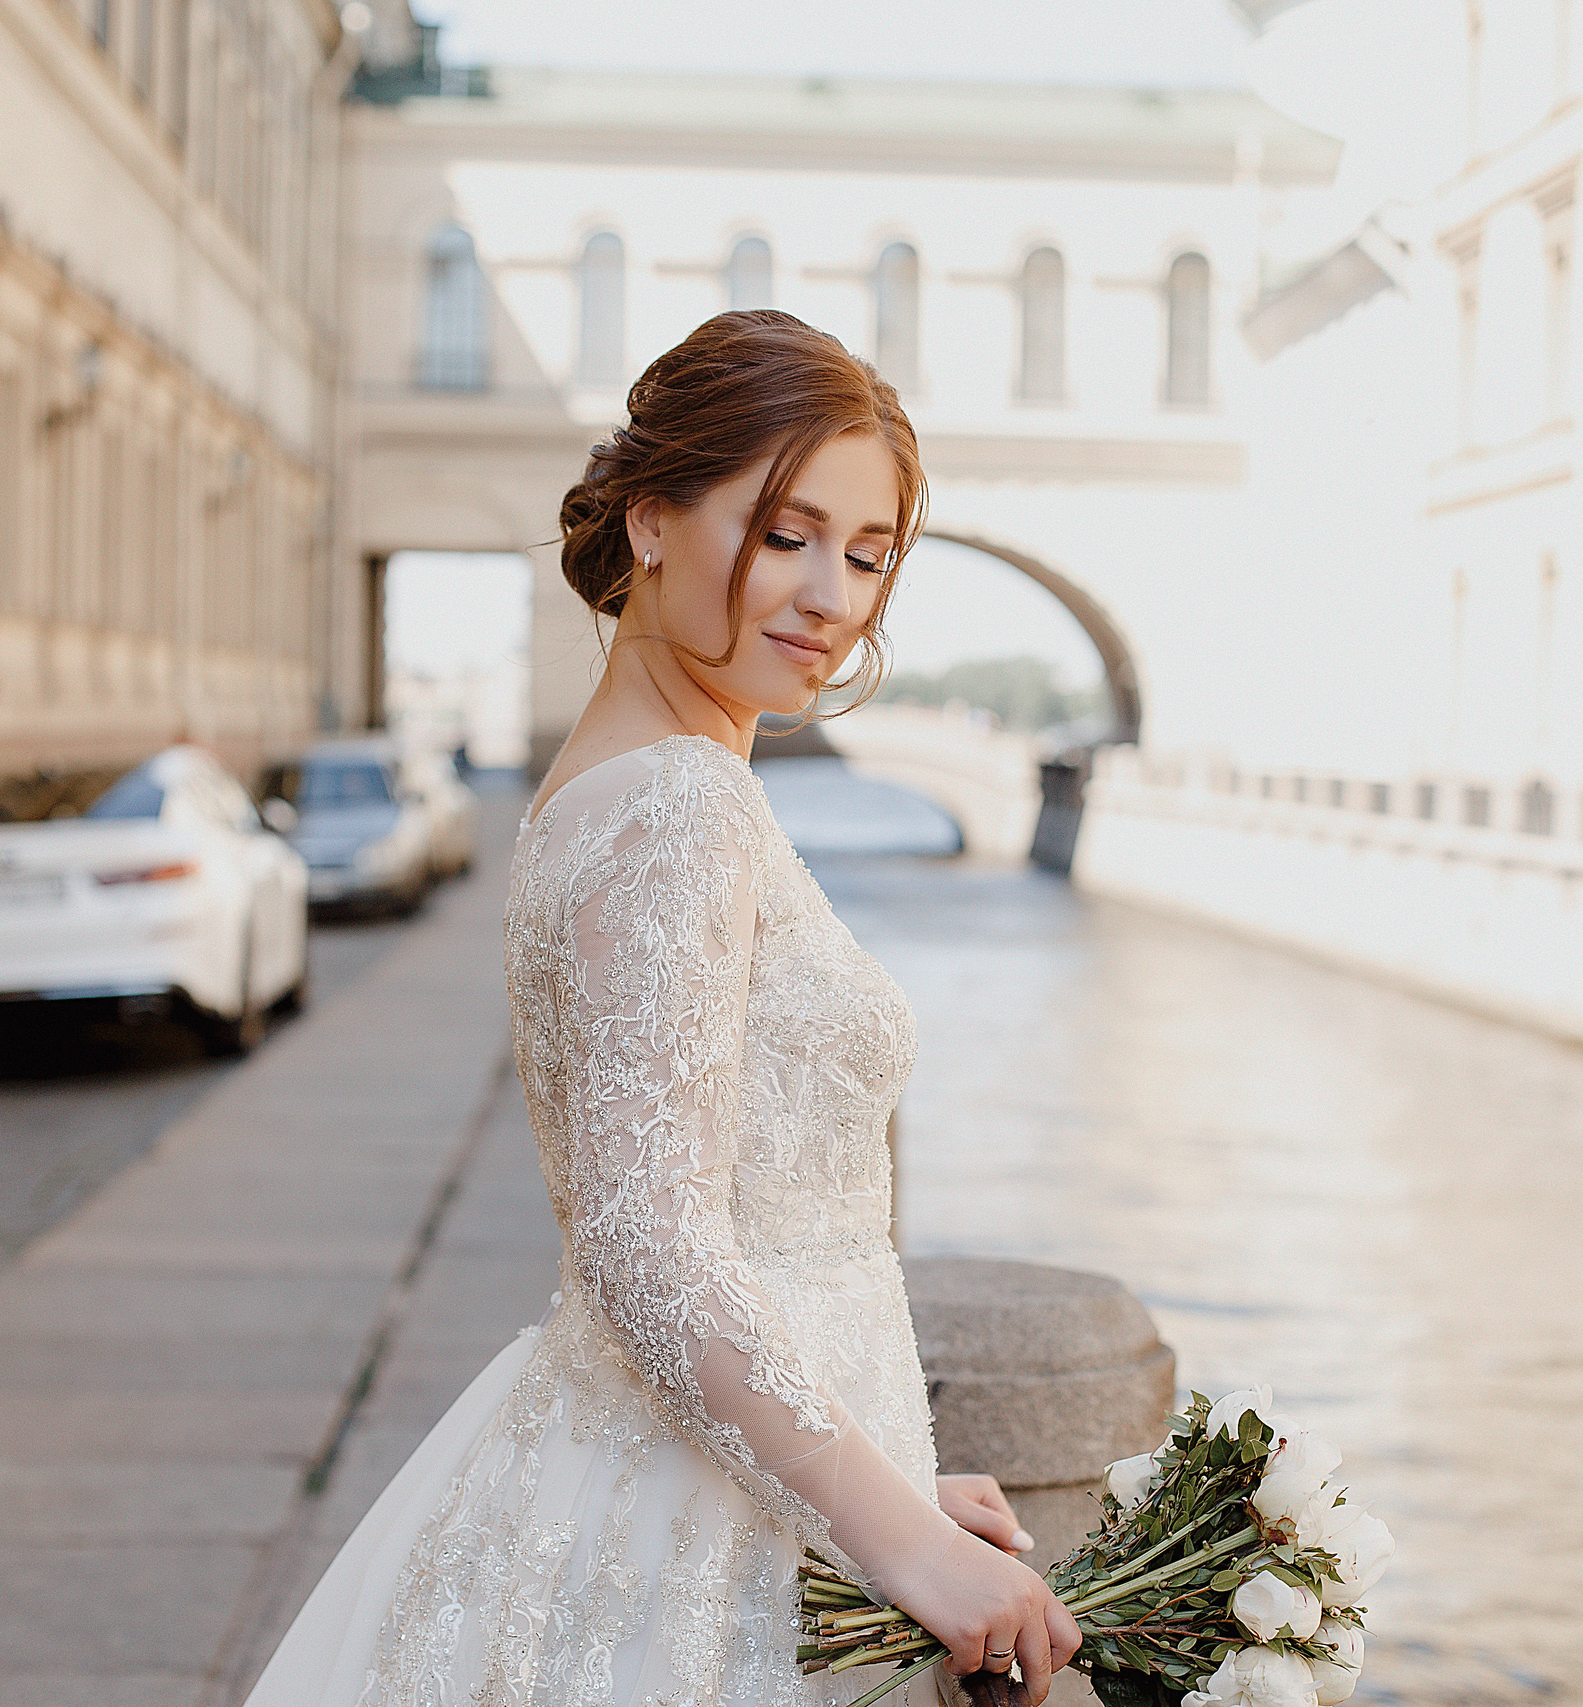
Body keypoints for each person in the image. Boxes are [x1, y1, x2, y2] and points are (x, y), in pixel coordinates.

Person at [242, 310, 1082, 1703]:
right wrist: (909, 1548)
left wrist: (898, 1477)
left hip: (720, 1483)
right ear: (649, 522)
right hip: (702, 1535)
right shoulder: (682, 803)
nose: (831, 596)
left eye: (869, 556)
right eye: (786, 532)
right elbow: (654, 1246)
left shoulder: (623, 780)